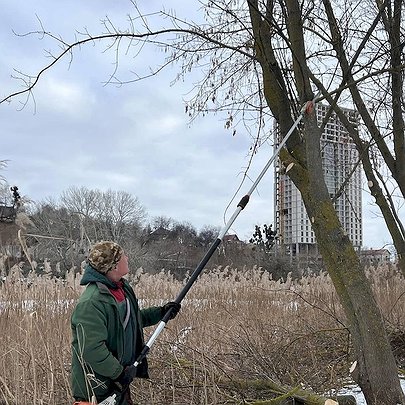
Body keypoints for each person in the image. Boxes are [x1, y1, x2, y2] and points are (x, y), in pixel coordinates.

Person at [70, 241, 181, 405]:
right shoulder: (92, 302)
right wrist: (119, 373)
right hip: (97, 389)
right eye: (122, 257)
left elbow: (131, 321)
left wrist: (162, 312)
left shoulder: (122, 288)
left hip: (118, 382)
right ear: (114, 266)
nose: (127, 258)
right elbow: (92, 349)